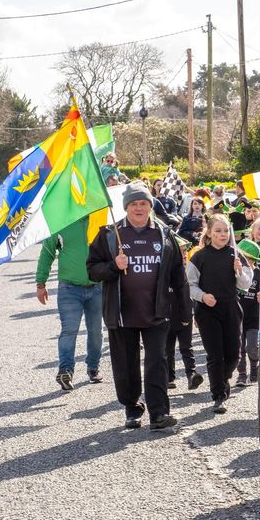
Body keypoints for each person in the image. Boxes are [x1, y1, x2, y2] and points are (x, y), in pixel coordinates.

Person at [87, 182, 190, 431]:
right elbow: (91, 270)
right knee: (126, 365)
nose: (139, 208)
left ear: (150, 205)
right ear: (126, 207)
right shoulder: (110, 234)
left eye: (143, 203)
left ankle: (158, 413)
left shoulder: (164, 235)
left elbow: (179, 274)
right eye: (134, 204)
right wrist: (113, 265)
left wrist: (186, 311)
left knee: (157, 362)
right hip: (122, 314)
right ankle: (132, 408)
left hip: (157, 313)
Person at [186, 214, 253, 413]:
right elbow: (189, 285)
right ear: (209, 233)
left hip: (231, 307)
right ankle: (218, 396)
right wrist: (203, 296)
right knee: (215, 355)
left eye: (225, 231)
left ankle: (223, 380)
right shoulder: (199, 256)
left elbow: (246, 285)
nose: (223, 235)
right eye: (218, 231)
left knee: (233, 354)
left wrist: (239, 272)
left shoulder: (235, 254)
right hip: (207, 311)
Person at [36, 218, 103, 391]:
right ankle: (65, 370)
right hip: (69, 288)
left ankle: (93, 367)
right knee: (69, 330)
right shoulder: (60, 222)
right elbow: (47, 252)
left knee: (96, 330)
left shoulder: (100, 219)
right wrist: (40, 283)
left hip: (98, 287)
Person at [235, 238, 260, 386]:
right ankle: (241, 374)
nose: (246, 264)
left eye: (249, 261)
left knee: (252, 347)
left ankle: (254, 366)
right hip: (238, 316)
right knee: (239, 349)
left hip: (253, 317)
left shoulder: (259, 274)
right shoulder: (234, 272)